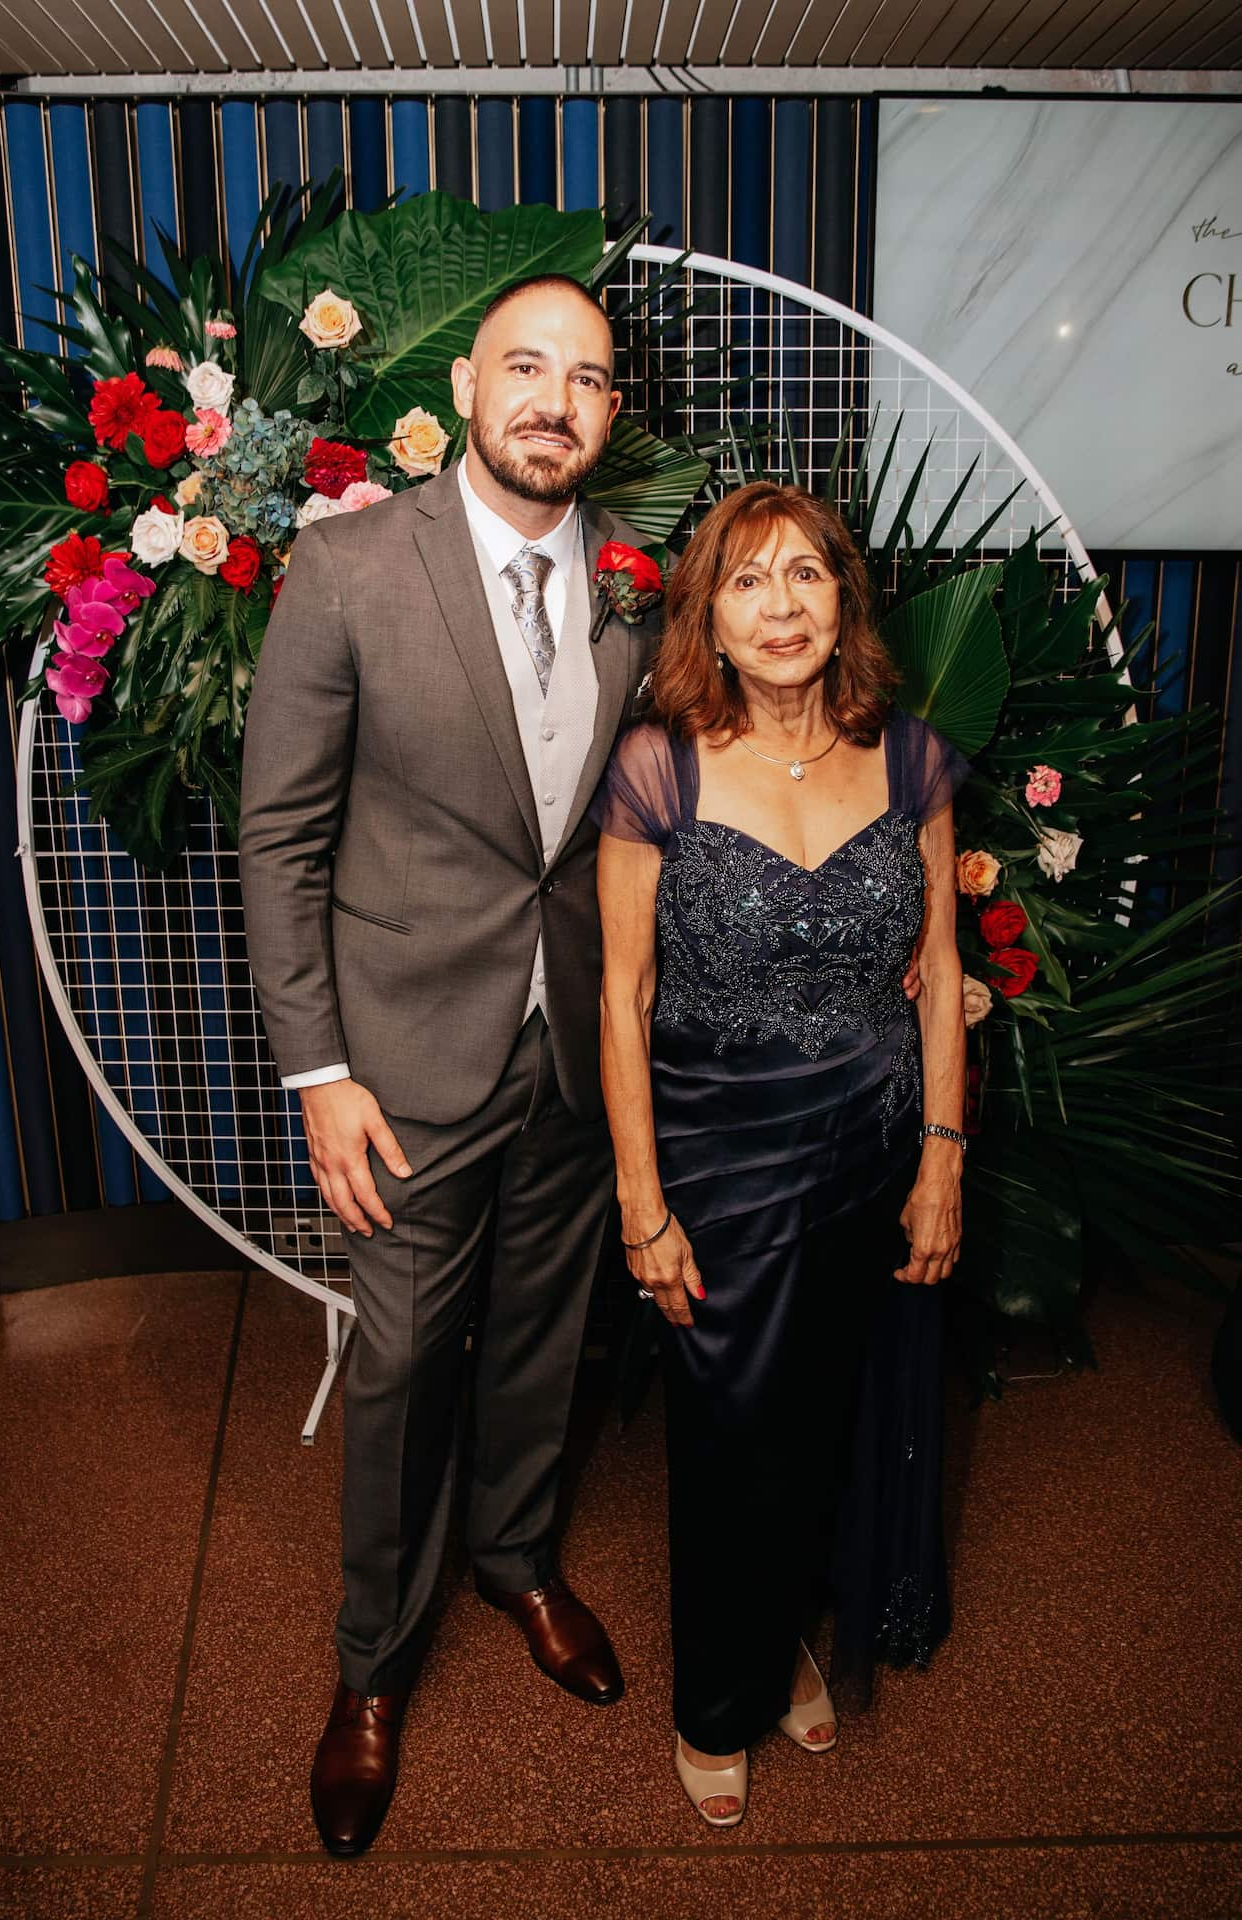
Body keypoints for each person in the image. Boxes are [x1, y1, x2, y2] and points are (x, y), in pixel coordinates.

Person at [238, 275, 657, 1857]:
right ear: (469, 385)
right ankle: (369, 1669)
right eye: (528, 367)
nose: (557, 398)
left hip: (568, 1042)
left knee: (548, 1331)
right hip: (402, 1064)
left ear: (611, 415)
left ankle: (519, 1558)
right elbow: (278, 832)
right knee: (406, 1366)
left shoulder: (634, 591)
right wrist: (317, 1069)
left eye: (590, 379)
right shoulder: (349, 564)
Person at [593, 480, 966, 1827]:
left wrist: (942, 1158)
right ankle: (719, 1694)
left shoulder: (911, 760)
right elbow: (621, 999)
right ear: (711, 616)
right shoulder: (660, 768)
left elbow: (939, 978)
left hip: (871, 1152)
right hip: (719, 1165)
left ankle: (788, 1636)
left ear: (840, 600)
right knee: (730, 1438)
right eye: (747, 582)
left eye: (804, 575)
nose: (782, 606)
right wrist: (644, 1204)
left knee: (830, 1424)